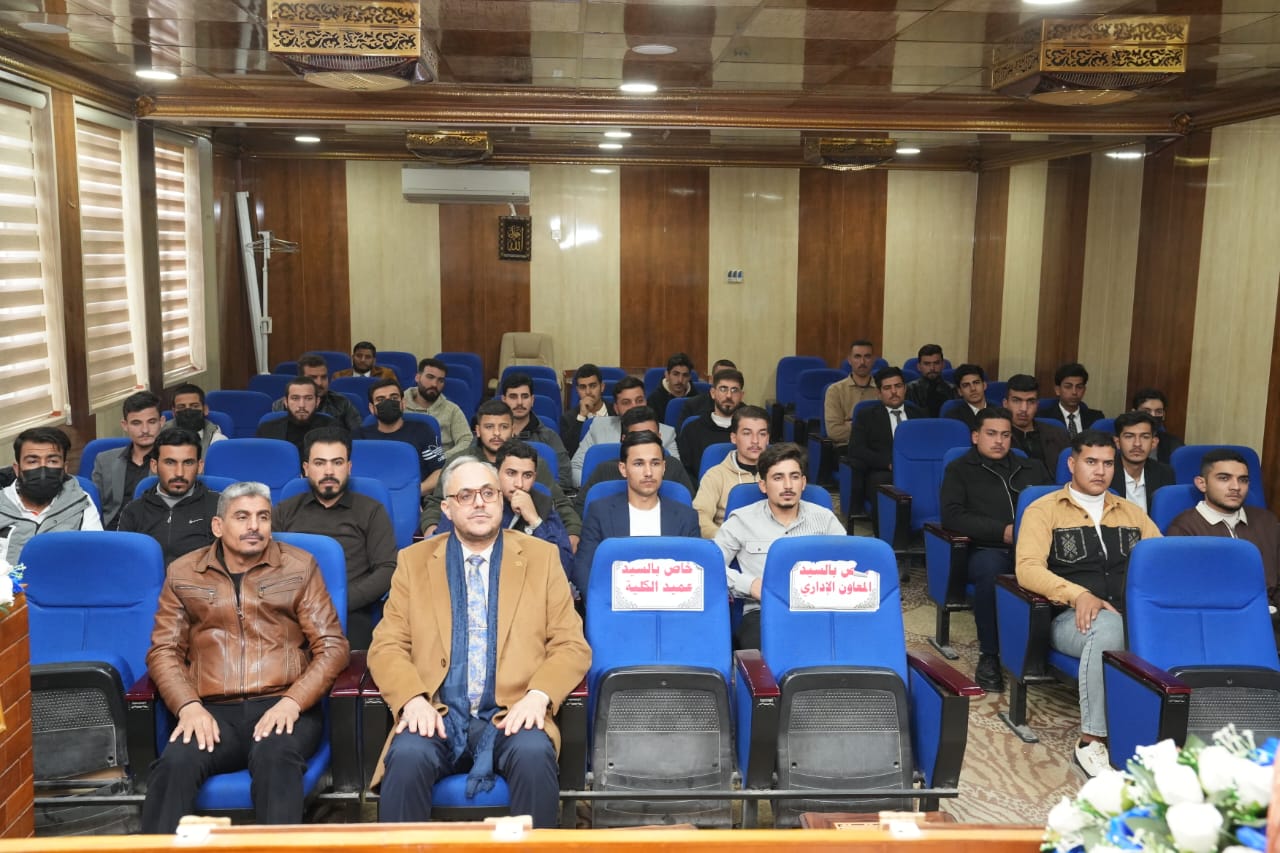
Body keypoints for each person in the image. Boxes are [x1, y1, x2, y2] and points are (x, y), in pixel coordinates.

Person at [367, 457, 591, 827]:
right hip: (437, 710)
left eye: (488, 493)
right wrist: (412, 700)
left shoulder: (541, 557)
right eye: (466, 495)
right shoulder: (413, 561)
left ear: (502, 500)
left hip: (513, 710)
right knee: (406, 757)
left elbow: (571, 644)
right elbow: (387, 645)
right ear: (447, 508)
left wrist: (539, 696)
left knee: (534, 753)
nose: (479, 503)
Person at [140, 481, 349, 833]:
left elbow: (332, 646)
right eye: (242, 517)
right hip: (211, 710)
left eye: (263, 517)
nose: (255, 526)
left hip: (282, 705)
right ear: (217, 526)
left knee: (275, 757)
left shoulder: (299, 566)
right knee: (175, 763)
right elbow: (164, 650)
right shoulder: (184, 572)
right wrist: (188, 706)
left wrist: (293, 701)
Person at [1015, 430, 1160, 778]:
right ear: (1072, 463)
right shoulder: (1044, 509)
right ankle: (1090, 742)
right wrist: (1077, 594)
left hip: (1130, 614)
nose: (1100, 471)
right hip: (1070, 618)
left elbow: (1161, 559)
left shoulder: (1131, 513)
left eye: (1108, 463)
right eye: (1091, 462)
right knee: (1109, 628)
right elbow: (1027, 568)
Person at [939, 407, 1052, 691]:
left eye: (1005, 435)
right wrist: (1003, 532)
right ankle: (989, 654)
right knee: (991, 571)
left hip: (1036, 549)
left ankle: (1045, 651)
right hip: (986, 549)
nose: (999, 441)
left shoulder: (1032, 468)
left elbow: (1054, 506)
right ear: (975, 436)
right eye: (991, 434)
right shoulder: (959, 469)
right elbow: (952, 516)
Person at [274, 427, 397, 650]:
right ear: (306, 469)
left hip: (350, 610)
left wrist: (340, 601)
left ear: (349, 467)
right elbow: (265, 563)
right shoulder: (284, 510)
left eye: (337, 462)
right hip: (289, 610)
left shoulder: (371, 510)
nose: (329, 471)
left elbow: (387, 568)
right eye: (320, 463)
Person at [714, 443, 844, 651]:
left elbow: (849, 563)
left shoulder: (824, 519)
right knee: (773, 651)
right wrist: (749, 584)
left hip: (817, 609)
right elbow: (710, 565)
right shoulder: (742, 520)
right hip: (763, 611)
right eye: (778, 478)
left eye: (794, 477)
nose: (788, 485)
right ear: (763, 485)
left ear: (803, 483)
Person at [420, 400, 582, 545]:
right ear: (478, 430)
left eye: (503, 427)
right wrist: (431, 530)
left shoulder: (532, 464)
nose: (496, 433)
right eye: (489, 427)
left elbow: (560, 504)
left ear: (513, 430)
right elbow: (436, 503)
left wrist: (573, 532)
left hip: (524, 540)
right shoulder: (459, 463)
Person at [1167, 449, 1280, 635]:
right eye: (1224, 478)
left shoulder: (1267, 521)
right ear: (1202, 483)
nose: (1236, 487)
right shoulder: (1184, 529)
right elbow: (1189, 594)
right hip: (1220, 624)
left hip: (1272, 621)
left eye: (1243, 480)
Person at [436, 439, 575, 591]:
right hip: (466, 585)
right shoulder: (470, 502)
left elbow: (563, 569)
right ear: (497, 472)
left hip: (524, 590)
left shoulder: (542, 505)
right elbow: (437, 555)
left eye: (527, 475)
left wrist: (535, 521)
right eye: (511, 473)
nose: (519, 484)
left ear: (535, 477)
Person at [575, 430, 701, 593]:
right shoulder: (600, 512)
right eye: (639, 464)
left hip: (672, 602)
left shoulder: (686, 517)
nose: (648, 473)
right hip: (614, 604)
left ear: (664, 467)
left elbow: (696, 572)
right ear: (623, 469)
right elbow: (584, 570)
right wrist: (609, 603)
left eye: (655, 463)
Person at [118, 429, 221, 566]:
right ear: (154, 465)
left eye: (188, 463)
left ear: (200, 466)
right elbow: (124, 564)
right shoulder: (133, 512)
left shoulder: (219, 507)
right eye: (170, 463)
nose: (179, 473)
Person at [0, 427, 102, 563]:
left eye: (52, 461)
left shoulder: (81, 503)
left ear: (65, 468)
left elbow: (95, 556)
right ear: (17, 469)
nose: (43, 469)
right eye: (32, 461)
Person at [574, 406, 695, 517]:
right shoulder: (604, 471)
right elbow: (580, 510)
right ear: (623, 440)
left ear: (660, 437)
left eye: (650, 437)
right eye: (637, 437)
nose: (644, 444)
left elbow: (690, 509)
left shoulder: (673, 466)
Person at [571, 376, 679, 487]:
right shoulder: (598, 428)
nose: (634, 407)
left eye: (639, 401)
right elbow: (576, 469)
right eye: (626, 402)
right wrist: (600, 489)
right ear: (616, 408)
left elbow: (676, 475)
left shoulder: (667, 433)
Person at [847, 367, 923, 519]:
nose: (894, 392)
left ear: (905, 388)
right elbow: (857, 449)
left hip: (915, 469)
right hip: (882, 471)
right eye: (887, 388)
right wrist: (888, 463)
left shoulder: (919, 414)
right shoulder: (866, 416)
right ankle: (887, 529)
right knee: (881, 482)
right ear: (879, 393)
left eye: (898, 386)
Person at [355, 377, 445, 495]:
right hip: (369, 499)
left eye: (394, 398)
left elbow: (440, 471)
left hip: (416, 498)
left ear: (403, 403)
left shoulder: (423, 431)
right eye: (380, 399)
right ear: (372, 408)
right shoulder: (359, 437)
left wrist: (413, 493)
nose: (388, 403)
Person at [693, 405, 769, 538]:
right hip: (730, 544)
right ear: (733, 437)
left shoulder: (780, 475)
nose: (755, 441)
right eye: (747, 433)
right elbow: (700, 517)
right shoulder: (716, 475)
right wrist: (726, 539)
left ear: (768, 438)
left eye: (762, 434)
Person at [94, 390, 163, 530]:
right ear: (125, 425)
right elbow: (94, 506)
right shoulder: (104, 460)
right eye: (136, 423)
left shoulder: (173, 462)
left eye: (151, 422)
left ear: (161, 422)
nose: (145, 430)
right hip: (112, 532)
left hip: (152, 531)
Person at [501, 372, 571, 489]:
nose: (519, 402)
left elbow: (565, 477)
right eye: (513, 397)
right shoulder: (492, 436)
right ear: (504, 400)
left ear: (532, 400)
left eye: (525, 396)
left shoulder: (549, 437)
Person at [676, 367, 744, 481]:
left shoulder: (750, 431)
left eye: (734, 390)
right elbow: (685, 473)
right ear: (713, 393)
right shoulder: (692, 430)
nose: (729, 395)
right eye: (723, 389)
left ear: (742, 396)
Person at [403, 357, 473, 460]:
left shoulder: (452, 409)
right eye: (430, 377)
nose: (434, 384)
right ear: (417, 377)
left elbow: (466, 440)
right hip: (405, 460)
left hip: (442, 463)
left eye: (440, 380)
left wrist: (442, 458)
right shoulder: (400, 405)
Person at [271, 354, 362, 432]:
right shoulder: (281, 405)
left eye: (323, 377)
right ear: (301, 379)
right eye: (313, 378)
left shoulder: (341, 403)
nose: (319, 383)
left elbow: (358, 434)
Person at [1004, 373, 1071, 471]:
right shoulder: (998, 437)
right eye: (1016, 401)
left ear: (1037, 405)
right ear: (1005, 404)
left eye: (1031, 401)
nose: (1024, 409)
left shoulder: (1059, 435)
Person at [1111, 412, 1175, 512]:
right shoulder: (1105, 473)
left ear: (1154, 443)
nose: (1137, 444)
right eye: (1129, 436)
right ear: (1117, 442)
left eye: (1145, 437)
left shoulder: (1165, 473)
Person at [256, 376, 334, 455]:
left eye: (308, 398)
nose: (301, 405)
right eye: (295, 398)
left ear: (317, 402)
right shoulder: (267, 430)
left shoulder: (332, 428)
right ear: (286, 402)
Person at [823, 339, 878, 447]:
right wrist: (872, 428)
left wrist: (850, 424)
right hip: (847, 448)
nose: (862, 362)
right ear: (849, 360)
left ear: (873, 360)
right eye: (857, 356)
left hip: (878, 448)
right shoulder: (835, 391)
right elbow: (834, 432)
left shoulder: (882, 389)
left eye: (867, 356)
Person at [559, 363, 614, 457]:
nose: (588, 392)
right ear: (577, 390)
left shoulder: (616, 411)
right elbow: (568, 453)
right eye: (583, 387)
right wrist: (581, 417)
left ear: (602, 387)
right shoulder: (568, 418)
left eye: (593, 386)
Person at [1039, 362, 1103, 437]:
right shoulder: (1043, 418)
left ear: (1084, 390)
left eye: (1079, 387)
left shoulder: (1096, 418)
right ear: (1057, 390)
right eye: (1068, 387)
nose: (1074, 392)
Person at [162, 383, 228, 452]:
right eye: (181, 407)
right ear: (173, 412)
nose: (188, 411)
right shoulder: (162, 436)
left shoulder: (217, 441)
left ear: (205, 409)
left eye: (194, 406)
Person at [1131, 388, 1184, 464]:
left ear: (1163, 415)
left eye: (1158, 412)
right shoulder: (1123, 440)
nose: (1153, 415)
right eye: (1146, 411)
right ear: (1134, 413)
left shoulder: (1174, 444)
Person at [905, 344, 956, 417]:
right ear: (919, 367)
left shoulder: (953, 390)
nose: (932, 368)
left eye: (936, 363)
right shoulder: (909, 390)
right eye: (927, 364)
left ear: (943, 365)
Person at [645, 352, 696, 424]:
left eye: (685, 375)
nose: (680, 380)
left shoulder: (697, 399)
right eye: (676, 374)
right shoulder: (654, 400)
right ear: (667, 375)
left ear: (689, 377)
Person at [946, 364, 989, 432]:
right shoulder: (953, 418)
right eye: (966, 385)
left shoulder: (998, 412)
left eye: (976, 383)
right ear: (960, 391)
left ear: (984, 385)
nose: (973, 388)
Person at [332, 341, 398, 381]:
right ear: (352, 357)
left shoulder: (386, 375)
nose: (362, 360)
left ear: (374, 360)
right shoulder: (339, 376)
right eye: (359, 356)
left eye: (368, 357)